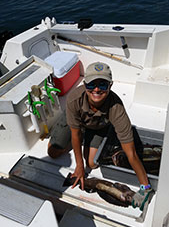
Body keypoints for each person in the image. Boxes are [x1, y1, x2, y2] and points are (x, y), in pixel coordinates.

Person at [48, 62, 153, 210]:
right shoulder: (74, 100)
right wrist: (79, 167)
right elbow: (75, 134)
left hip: (98, 127)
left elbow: (131, 153)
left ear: (110, 85)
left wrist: (145, 186)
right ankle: (75, 139)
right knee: (53, 152)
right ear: (85, 85)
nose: (96, 89)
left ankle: (89, 137)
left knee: (92, 163)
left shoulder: (117, 108)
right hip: (76, 122)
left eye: (102, 85)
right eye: (91, 85)